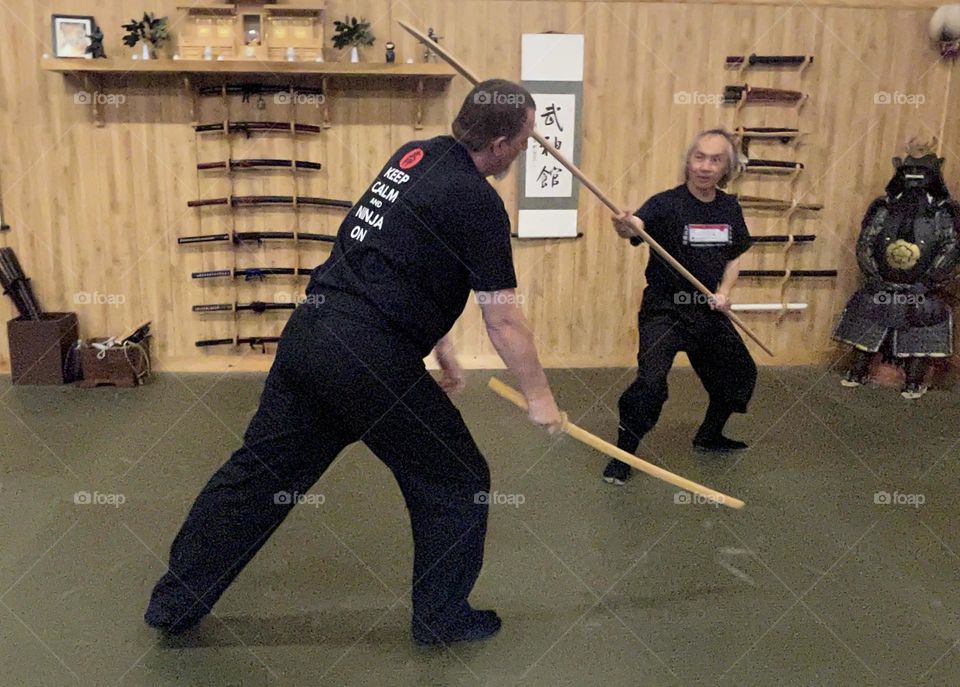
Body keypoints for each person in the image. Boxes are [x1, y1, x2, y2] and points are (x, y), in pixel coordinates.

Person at [144, 79, 563, 645]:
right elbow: (504, 320)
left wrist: (440, 347)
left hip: (312, 336)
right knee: (457, 479)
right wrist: (540, 398)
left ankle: (175, 601)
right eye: (524, 137)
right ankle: (442, 619)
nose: (525, 147)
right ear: (501, 141)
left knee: (261, 476)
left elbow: (393, 252)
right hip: (368, 358)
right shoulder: (478, 202)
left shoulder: (416, 155)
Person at [603, 128, 757, 486]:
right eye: (698, 157)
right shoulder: (665, 203)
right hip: (665, 311)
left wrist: (724, 291)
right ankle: (624, 453)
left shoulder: (728, 207)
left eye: (715, 160)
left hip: (707, 309)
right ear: (688, 161)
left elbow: (735, 256)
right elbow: (636, 228)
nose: (704, 166)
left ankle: (709, 435)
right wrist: (624, 225)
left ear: (727, 167)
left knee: (739, 372)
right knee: (651, 383)